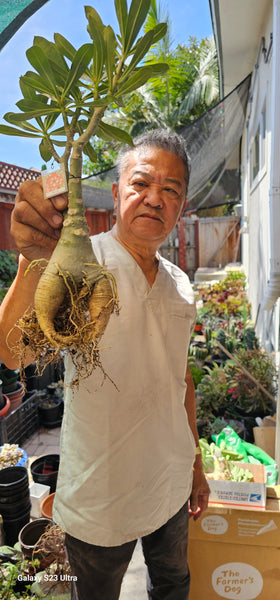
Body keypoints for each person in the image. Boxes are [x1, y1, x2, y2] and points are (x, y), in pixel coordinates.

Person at [0, 129, 210, 600]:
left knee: (173, 586)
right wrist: (33, 262)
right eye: (141, 183)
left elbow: (181, 379)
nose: (154, 198)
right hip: (100, 497)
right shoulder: (79, 259)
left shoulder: (180, 283)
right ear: (116, 194)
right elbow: (14, 353)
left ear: (181, 205)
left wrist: (195, 466)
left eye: (170, 189)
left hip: (170, 483)